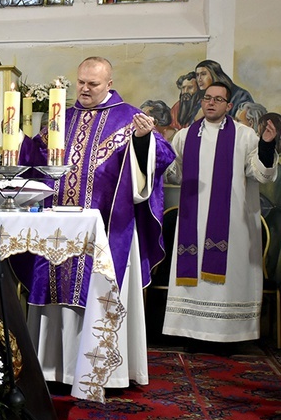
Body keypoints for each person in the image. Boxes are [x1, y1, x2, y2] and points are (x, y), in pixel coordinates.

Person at [16, 56, 176, 389]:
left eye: (93, 84)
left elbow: (162, 158)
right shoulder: (63, 117)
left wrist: (144, 140)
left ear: (109, 84)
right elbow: (34, 158)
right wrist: (15, 138)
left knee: (97, 292)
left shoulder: (130, 117)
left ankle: (102, 372)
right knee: (54, 291)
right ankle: (53, 369)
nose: (85, 89)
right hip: (57, 229)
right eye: (81, 82)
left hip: (108, 228)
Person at [162, 82, 278, 347]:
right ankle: (192, 334)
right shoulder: (184, 136)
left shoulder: (245, 135)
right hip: (193, 220)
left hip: (233, 223)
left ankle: (229, 337)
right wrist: (161, 155)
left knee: (230, 279)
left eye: (218, 99)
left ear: (229, 105)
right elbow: (175, 174)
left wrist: (267, 146)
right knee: (194, 276)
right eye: (207, 98)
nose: (211, 103)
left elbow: (259, 173)